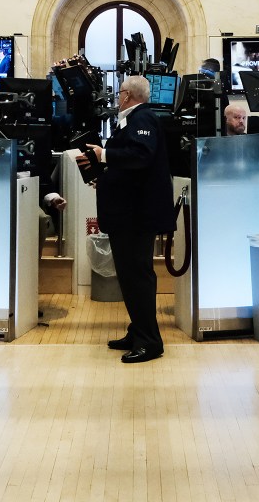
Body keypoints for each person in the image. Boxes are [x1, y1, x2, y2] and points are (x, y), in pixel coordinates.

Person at [76, 74, 175, 364]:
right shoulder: (133, 120)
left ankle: (150, 342)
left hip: (136, 217)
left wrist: (103, 154)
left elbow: (140, 155)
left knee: (138, 277)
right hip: (129, 215)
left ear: (128, 95)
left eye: (119, 93)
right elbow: (131, 165)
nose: (117, 98)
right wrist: (104, 173)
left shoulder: (142, 118)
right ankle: (138, 331)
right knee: (131, 278)